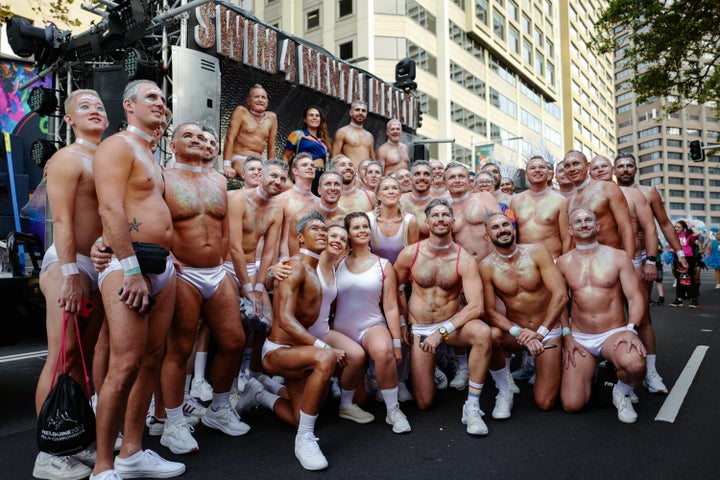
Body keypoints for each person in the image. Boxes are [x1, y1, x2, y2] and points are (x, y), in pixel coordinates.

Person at [92, 80, 184, 479]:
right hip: (127, 266)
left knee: (151, 359)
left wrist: (169, 258)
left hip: (161, 265)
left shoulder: (149, 152)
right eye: (151, 97)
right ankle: (102, 466)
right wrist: (129, 268)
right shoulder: (117, 145)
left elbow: (147, 208)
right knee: (124, 364)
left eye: (163, 99)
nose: (160, 104)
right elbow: (109, 206)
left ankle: (132, 453)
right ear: (128, 105)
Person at [157, 123, 247, 455]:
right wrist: (166, 256)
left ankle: (219, 410)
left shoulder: (219, 180)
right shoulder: (163, 178)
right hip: (183, 272)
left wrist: (223, 263)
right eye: (188, 136)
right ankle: (174, 423)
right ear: (173, 143)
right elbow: (152, 220)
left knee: (234, 340)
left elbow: (223, 227)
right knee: (179, 348)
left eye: (201, 136)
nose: (196, 140)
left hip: (215, 270)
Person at [33, 90, 108, 480]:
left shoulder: (109, 158)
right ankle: (48, 453)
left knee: (81, 358)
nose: (94, 111)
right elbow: (60, 221)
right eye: (84, 107)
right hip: (69, 263)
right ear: (68, 120)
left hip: (98, 267)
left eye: (99, 107)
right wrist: (71, 273)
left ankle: (72, 441)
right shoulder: (66, 158)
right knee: (61, 358)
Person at [394, 198, 492, 436]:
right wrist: (403, 322)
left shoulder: (464, 258)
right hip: (420, 327)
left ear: (453, 221)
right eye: (435, 216)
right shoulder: (410, 253)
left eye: (445, 215)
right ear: (426, 223)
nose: (440, 219)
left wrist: (442, 331)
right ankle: (434, 369)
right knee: (424, 402)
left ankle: (472, 405)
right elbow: (394, 289)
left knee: (483, 332)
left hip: (451, 326)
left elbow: (476, 306)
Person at [261, 211, 347, 471]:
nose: (322, 233)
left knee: (300, 416)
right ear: (300, 237)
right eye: (315, 229)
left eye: (324, 229)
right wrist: (324, 347)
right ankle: (305, 440)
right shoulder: (295, 265)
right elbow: (285, 320)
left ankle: (261, 394)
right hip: (278, 351)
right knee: (326, 357)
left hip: (299, 351)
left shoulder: (317, 269)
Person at [557, 207, 647, 424]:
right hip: (580, 337)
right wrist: (567, 336)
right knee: (572, 404)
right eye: (578, 222)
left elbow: (635, 297)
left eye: (588, 220)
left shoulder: (618, 257)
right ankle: (598, 371)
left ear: (597, 226)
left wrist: (631, 330)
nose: (584, 224)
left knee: (635, 365)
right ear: (570, 229)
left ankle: (621, 391)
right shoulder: (562, 262)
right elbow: (559, 304)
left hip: (613, 333)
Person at [479, 212, 567, 419]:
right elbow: (489, 311)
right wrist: (519, 332)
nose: (502, 230)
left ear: (513, 228)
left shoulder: (537, 252)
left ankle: (560, 364)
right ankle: (504, 391)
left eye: (505, 225)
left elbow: (561, 295)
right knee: (490, 336)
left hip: (547, 331)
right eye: (495, 227)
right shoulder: (486, 266)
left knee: (545, 403)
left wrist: (540, 332)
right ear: (486, 237)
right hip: (516, 332)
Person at [614, 152, 690, 392]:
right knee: (613, 317)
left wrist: (679, 254)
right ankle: (617, 371)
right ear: (614, 170)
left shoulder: (648, 193)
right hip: (610, 263)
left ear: (636, 170)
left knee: (642, 316)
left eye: (629, 166)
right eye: (621, 166)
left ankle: (651, 372)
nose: (625, 169)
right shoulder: (605, 191)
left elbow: (664, 224)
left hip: (638, 260)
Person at [334, 212, 412, 433]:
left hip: (371, 325)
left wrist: (396, 342)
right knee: (361, 399)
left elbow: (390, 306)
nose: (361, 230)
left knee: (384, 350)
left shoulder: (384, 265)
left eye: (365, 227)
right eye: (356, 227)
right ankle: (346, 403)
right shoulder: (337, 261)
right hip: (341, 331)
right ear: (348, 233)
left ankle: (393, 411)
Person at [366, 176, 420, 401]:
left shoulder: (410, 222)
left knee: (403, 328)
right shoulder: (367, 220)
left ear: (400, 193)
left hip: (402, 284)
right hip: (372, 283)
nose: (390, 191)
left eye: (395, 188)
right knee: (375, 327)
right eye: (385, 188)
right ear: (377, 194)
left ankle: (400, 379)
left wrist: (401, 289)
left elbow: (413, 259)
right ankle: (375, 377)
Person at [562, 150, 634, 257]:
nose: (572, 169)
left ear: (587, 166)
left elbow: (626, 228)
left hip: (609, 259)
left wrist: (630, 261)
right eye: (567, 166)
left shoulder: (608, 188)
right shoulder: (569, 201)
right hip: (580, 263)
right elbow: (568, 239)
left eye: (576, 164)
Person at [510, 156, 570, 260]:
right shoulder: (515, 201)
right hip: (524, 262)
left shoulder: (561, 201)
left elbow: (567, 239)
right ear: (526, 174)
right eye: (532, 168)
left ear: (548, 173)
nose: (537, 170)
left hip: (553, 260)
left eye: (542, 167)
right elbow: (512, 235)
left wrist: (564, 263)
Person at [443, 162, 501, 263]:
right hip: (466, 267)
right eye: (452, 177)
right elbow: (449, 245)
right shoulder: (446, 210)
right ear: (445, 184)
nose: (457, 180)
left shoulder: (485, 197)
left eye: (461, 176)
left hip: (493, 263)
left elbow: (503, 229)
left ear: (469, 180)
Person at [287, 170, 348, 256]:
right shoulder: (300, 218)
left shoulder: (346, 220)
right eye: (327, 184)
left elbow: (346, 255)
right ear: (319, 190)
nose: (333, 188)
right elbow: (294, 257)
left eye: (337, 184)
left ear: (342, 190)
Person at [223, 84, 278, 178]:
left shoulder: (272, 117)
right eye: (256, 97)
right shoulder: (241, 112)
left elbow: (271, 147)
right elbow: (229, 138)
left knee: (282, 183)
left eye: (263, 98)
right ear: (248, 101)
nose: (260, 100)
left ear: (267, 102)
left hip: (259, 162)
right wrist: (226, 165)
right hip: (240, 158)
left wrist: (271, 168)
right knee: (253, 175)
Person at [276, 153, 320, 260]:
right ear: (295, 171)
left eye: (312, 166)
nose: (310, 167)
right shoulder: (282, 199)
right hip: (286, 258)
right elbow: (274, 237)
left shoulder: (319, 202)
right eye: (304, 165)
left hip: (312, 261)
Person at [282, 106, 332, 195]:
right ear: (305, 119)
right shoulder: (297, 134)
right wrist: (285, 177)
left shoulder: (323, 140)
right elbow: (285, 156)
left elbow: (328, 161)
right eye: (311, 115)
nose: (314, 118)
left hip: (322, 176)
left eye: (317, 116)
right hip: (305, 174)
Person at [332, 100, 375, 171]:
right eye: (357, 110)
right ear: (351, 112)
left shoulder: (369, 136)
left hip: (366, 177)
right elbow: (334, 157)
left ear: (366, 114)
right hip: (350, 176)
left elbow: (373, 160)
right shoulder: (342, 132)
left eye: (363, 111)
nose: (360, 113)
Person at [400, 160, 434, 239]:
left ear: (432, 180)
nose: (422, 177)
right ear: (411, 180)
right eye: (417, 174)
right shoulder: (399, 201)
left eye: (426, 174)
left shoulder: (438, 205)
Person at [670, 220, 699, 308]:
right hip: (678, 259)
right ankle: (679, 299)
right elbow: (670, 248)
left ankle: (694, 300)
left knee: (690, 278)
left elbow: (697, 233)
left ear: (683, 228)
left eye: (679, 227)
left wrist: (690, 226)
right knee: (679, 279)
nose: (677, 228)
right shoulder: (673, 237)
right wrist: (677, 251)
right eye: (675, 226)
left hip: (689, 259)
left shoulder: (688, 235)